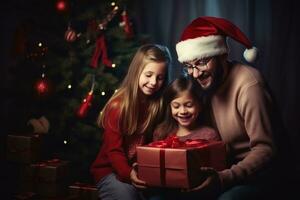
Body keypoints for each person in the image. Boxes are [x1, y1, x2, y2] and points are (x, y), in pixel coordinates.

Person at [175, 16, 277, 199]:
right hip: (223, 169)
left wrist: (223, 179)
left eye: (201, 62)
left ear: (222, 56)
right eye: (189, 66)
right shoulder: (202, 84)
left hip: (259, 176)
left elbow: (265, 150)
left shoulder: (249, 86)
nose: (196, 73)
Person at [90, 44, 171, 200]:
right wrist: (129, 174)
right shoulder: (118, 106)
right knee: (128, 196)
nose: (153, 82)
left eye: (160, 77)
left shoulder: (157, 105)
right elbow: (114, 152)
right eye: (148, 75)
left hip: (141, 170)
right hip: (110, 171)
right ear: (136, 72)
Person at [154, 76, 220, 142]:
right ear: (170, 107)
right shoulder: (161, 133)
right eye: (176, 106)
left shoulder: (209, 135)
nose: (183, 111)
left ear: (199, 105)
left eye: (189, 105)